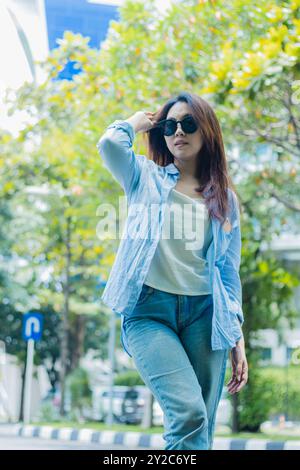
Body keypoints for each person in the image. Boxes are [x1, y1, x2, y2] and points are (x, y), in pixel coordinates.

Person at [96, 91, 248, 450]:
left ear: (206, 130)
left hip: (205, 315)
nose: (178, 131)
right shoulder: (143, 177)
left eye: (189, 123)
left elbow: (228, 271)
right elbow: (109, 144)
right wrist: (138, 120)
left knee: (202, 429)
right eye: (170, 125)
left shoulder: (224, 197)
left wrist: (236, 334)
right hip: (149, 312)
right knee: (188, 413)